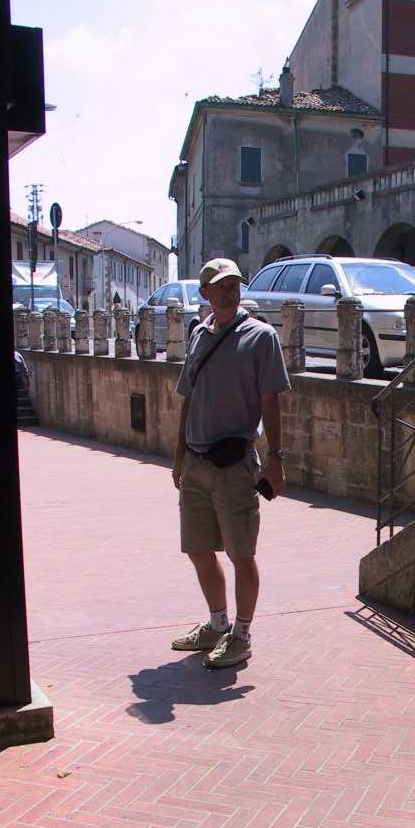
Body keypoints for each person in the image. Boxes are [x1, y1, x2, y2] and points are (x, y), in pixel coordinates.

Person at [171, 258, 290, 668]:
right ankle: (217, 624)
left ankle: (241, 634)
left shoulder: (261, 337)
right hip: (196, 463)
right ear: (204, 292)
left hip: (234, 464)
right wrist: (178, 457)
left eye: (235, 284)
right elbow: (188, 398)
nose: (230, 291)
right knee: (198, 549)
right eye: (221, 286)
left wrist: (275, 458)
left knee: (242, 553)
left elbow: (271, 400)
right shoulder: (198, 335)